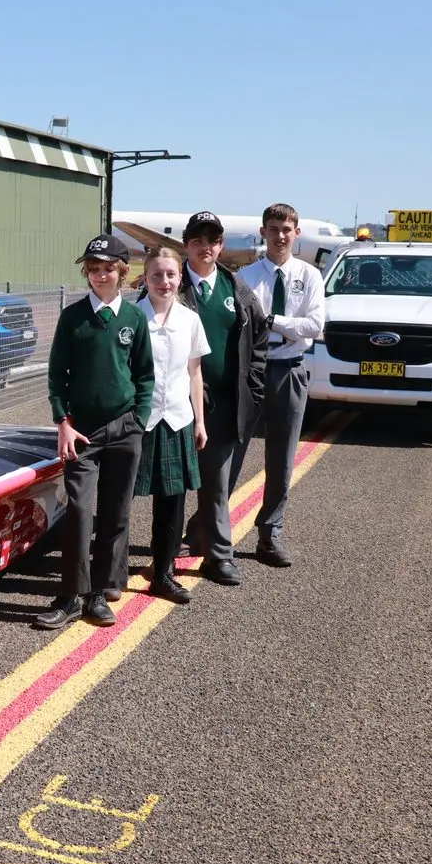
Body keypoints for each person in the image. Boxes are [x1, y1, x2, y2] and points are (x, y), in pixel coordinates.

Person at [38, 234, 155, 630]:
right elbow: (57, 375)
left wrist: (138, 419)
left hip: (125, 428)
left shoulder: (134, 318)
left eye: (108, 268)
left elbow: (145, 375)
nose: (100, 275)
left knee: (116, 513)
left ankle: (100, 593)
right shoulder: (73, 317)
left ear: (122, 272)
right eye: (93, 269)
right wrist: (63, 422)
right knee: (79, 511)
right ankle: (70, 596)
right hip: (82, 433)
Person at [176, 212, 268, 586]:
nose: (205, 247)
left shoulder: (237, 290)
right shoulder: (169, 285)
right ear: (186, 244)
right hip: (177, 403)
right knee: (172, 482)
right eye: (197, 240)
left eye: (212, 240)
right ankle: (167, 552)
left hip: (225, 404)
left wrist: (253, 389)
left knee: (217, 484)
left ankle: (218, 556)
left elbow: (259, 340)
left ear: (221, 245)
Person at [235, 203, 327, 567]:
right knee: (230, 454)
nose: (280, 236)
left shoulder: (310, 276)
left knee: (282, 460)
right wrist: (291, 325)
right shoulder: (245, 277)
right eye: (273, 229)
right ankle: (205, 530)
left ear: (296, 233)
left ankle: (270, 535)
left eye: (287, 229)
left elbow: (314, 326)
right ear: (263, 232)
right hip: (252, 372)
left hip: (289, 370)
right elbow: (240, 324)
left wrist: (273, 320)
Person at [132, 248, 209, 604]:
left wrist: (200, 421)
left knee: (172, 504)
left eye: (171, 275)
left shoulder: (190, 320)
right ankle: (110, 575)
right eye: (157, 275)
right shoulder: (132, 316)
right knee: (119, 500)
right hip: (138, 419)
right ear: (145, 278)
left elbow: (195, 373)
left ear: (180, 278)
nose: (164, 281)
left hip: (177, 419)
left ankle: (163, 574)